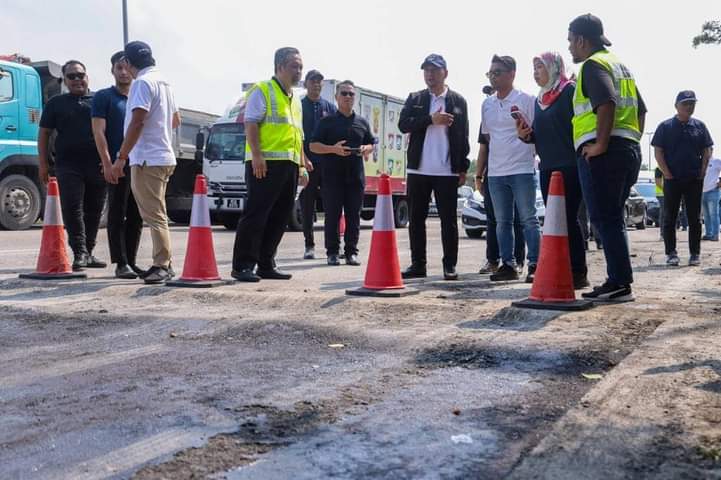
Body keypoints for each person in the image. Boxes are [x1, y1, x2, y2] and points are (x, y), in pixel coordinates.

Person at [567, 13, 647, 302]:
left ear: (581, 40)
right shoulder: (619, 65)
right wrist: (633, 141)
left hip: (605, 155)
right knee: (613, 218)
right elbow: (641, 109)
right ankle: (620, 281)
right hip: (627, 150)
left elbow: (607, 101)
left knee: (604, 217)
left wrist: (600, 144)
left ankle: (618, 282)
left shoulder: (593, 65)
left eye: (570, 42)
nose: (569, 48)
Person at [231, 47, 308, 282]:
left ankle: (266, 263)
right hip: (265, 163)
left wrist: (302, 165)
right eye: (294, 66)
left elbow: (298, 134)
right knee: (256, 214)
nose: (299, 71)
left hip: (290, 164)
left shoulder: (296, 100)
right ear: (280, 66)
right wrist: (256, 156)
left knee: (280, 216)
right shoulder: (262, 90)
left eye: (300, 67)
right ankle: (243, 265)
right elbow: (251, 124)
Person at [516, 52, 589, 289]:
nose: (536, 72)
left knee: (568, 219)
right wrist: (526, 136)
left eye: (540, 67)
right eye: (534, 68)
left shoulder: (569, 91)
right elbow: (542, 136)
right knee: (555, 221)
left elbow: (578, 128)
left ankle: (578, 271)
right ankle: (561, 268)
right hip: (547, 168)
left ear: (554, 67)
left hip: (569, 166)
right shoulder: (541, 99)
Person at [113, 41, 181, 284]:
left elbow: (137, 121)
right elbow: (175, 120)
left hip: (147, 159)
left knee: (153, 214)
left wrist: (122, 157)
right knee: (157, 211)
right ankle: (165, 262)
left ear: (130, 64)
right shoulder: (165, 83)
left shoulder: (141, 82)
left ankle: (162, 264)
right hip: (163, 155)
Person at [398, 54, 470, 281]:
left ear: (445, 73)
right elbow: (403, 125)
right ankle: (418, 264)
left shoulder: (458, 101)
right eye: (426, 70)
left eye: (435, 70)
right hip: (418, 170)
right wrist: (430, 119)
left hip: (446, 171)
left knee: (448, 221)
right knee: (416, 219)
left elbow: (464, 135)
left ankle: (450, 265)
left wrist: (462, 167)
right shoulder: (415, 98)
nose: (430, 74)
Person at [38, 60, 107, 271]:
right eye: (72, 76)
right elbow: (44, 134)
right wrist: (42, 163)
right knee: (72, 207)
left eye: (81, 75)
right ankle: (79, 252)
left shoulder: (99, 100)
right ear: (65, 80)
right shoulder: (56, 103)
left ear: (87, 77)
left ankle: (89, 250)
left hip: (97, 163)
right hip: (68, 164)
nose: (77, 80)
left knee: (94, 209)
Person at [477, 54, 540, 283]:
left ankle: (535, 264)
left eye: (497, 72)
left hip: (522, 169)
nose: (493, 77)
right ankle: (508, 264)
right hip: (496, 172)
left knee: (528, 219)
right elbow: (487, 139)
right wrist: (480, 173)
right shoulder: (487, 104)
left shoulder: (527, 99)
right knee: (501, 222)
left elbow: (536, 135)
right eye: (490, 73)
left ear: (512, 74)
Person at [310, 80, 375, 265]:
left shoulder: (362, 122)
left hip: (355, 177)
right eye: (344, 93)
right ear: (337, 97)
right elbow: (313, 146)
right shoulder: (327, 122)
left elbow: (371, 143)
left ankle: (351, 252)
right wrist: (333, 149)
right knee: (332, 215)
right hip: (332, 177)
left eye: (351, 94)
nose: (348, 97)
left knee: (354, 215)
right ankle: (332, 252)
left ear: (355, 97)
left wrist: (366, 148)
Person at [92, 51, 144, 279]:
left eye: (126, 67)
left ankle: (132, 260)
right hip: (116, 164)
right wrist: (107, 163)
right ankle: (120, 262)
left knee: (137, 214)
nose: (123, 72)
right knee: (117, 212)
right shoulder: (104, 97)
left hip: (140, 163)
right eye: (118, 68)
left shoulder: (139, 95)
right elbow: (98, 132)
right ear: (112, 70)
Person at [652, 90, 713, 266]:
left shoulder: (700, 126)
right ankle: (671, 253)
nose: (689, 107)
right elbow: (658, 151)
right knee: (670, 217)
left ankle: (695, 254)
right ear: (676, 105)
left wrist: (702, 170)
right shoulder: (665, 127)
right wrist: (667, 173)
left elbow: (707, 149)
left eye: (692, 103)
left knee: (694, 218)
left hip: (694, 179)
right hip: (673, 179)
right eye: (685, 103)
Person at [475, 127, 526, 275]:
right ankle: (492, 260)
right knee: (492, 220)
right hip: (493, 174)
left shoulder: (521, 109)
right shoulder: (488, 110)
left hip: (516, 172)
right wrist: (479, 176)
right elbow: (483, 148)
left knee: (516, 219)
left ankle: (517, 261)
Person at [300, 69, 336, 259]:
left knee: (331, 204)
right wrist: (302, 159)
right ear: (306, 84)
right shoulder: (298, 106)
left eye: (319, 82)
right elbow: (296, 135)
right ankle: (309, 244)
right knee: (307, 204)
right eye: (313, 81)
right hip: (307, 163)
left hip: (327, 164)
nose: (316, 85)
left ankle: (332, 247)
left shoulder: (329, 108)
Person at [702, 154, 721, 241]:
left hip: (713, 191)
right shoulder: (701, 161)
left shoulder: (716, 161)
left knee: (713, 214)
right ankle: (708, 233)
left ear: (711, 150)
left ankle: (715, 234)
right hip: (702, 192)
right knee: (706, 215)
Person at [654, 166, 665, 239]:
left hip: (668, 193)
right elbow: (658, 182)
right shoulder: (659, 168)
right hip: (662, 194)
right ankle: (662, 234)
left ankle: (667, 233)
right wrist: (667, 190)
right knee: (664, 213)